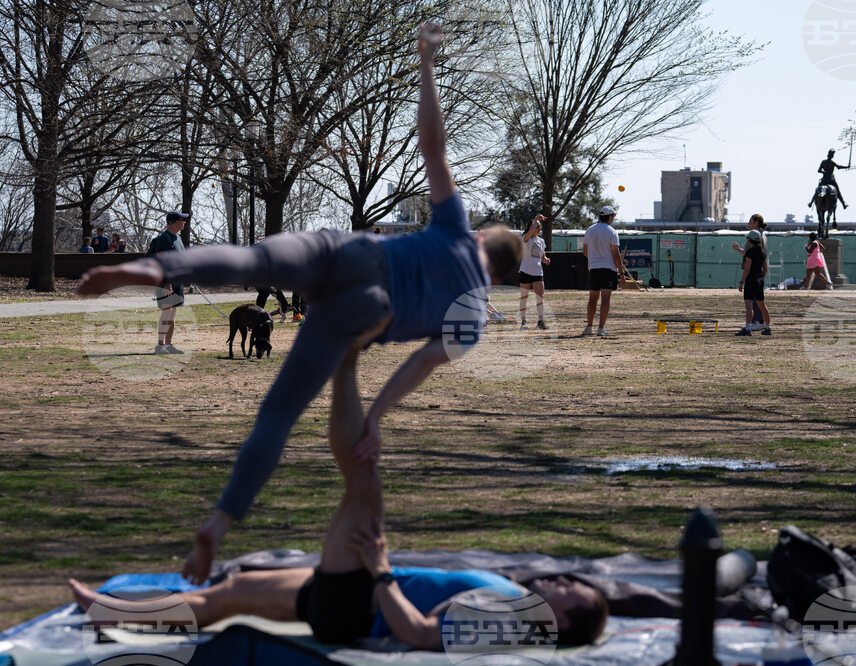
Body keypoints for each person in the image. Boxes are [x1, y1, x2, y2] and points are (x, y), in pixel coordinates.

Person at [76, 22, 521, 585]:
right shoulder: (474, 317)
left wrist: (427, 64)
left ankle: (154, 266)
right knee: (279, 414)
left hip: (350, 252)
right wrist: (377, 418)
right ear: (501, 277)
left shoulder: (458, 228)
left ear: (481, 240)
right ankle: (217, 523)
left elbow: (433, 145)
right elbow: (419, 365)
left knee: (253, 260)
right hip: (365, 311)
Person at [68, 343, 608, 649]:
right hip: (360, 590)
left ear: (559, 622)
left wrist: (380, 569)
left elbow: (420, 634)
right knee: (232, 590)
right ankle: (112, 612)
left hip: (359, 600)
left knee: (363, 479)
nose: (561, 580)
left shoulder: (522, 623)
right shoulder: (522, 610)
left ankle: (344, 359)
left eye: (569, 591)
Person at [147, 211, 190, 355]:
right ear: (172, 222)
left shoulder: (178, 239)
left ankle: (169, 345)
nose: (184, 222)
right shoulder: (164, 239)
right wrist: (165, 282)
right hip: (166, 283)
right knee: (166, 313)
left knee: (172, 315)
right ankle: (159, 346)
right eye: (181, 220)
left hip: (177, 283)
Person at [582, 205, 625, 336]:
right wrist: (621, 273)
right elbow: (615, 253)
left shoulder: (590, 230)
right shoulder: (612, 231)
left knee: (593, 298)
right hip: (608, 269)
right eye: (613, 216)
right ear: (610, 216)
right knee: (605, 298)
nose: (613, 219)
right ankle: (601, 329)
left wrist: (596, 258)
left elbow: (585, 251)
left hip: (594, 268)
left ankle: (589, 327)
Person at [731, 214, 768, 329]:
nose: (748, 223)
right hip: (759, 274)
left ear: (756, 223)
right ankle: (765, 325)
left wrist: (738, 249)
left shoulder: (755, 237)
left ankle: (757, 322)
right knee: (760, 301)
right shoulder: (762, 235)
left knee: (752, 302)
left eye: (750, 221)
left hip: (752, 274)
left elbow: (749, 255)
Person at [735, 229, 771, 336]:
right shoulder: (763, 252)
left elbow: (747, 269)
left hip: (751, 280)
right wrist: (762, 278)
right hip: (760, 279)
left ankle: (747, 329)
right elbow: (765, 268)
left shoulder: (750, 252)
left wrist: (741, 282)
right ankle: (768, 327)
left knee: (749, 306)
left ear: (749, 240)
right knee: (762, 305)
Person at [519, 214, 550, 330]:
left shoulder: (541, 241)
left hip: (538, 272)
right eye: (537, 226)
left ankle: (540, 321)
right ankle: (523, 322)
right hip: (526, 271)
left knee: (540, 297)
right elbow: (531, 230)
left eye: (540, 226)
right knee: (524, 297)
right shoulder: (526, 239)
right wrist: (536, 218)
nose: (539, 228)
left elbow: (542, 256)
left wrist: (546, 260)